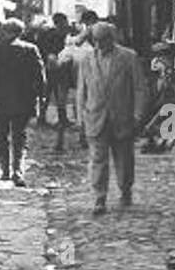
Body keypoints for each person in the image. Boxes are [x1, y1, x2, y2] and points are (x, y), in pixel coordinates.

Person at [79, 21, 148, 213]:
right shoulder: (86, 60)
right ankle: (99, 197)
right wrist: (81, 119)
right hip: (96, 117)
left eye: (102, 40)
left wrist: (137, 114)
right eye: (95, 40)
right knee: (97, 159)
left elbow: (139, 88)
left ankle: (125, 189)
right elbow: (82, 92)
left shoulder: (128, 57)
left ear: (112, 38)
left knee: (124, 158)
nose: (99, 44)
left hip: (122, 116)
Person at [0, 19, 46, 187]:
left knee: (1, 136)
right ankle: (18, 170)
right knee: (20, 136)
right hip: (23, 100)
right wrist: (41, 98)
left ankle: (5, 170)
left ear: (4, 32)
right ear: (21, 32)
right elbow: (40, 77)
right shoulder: (31, 50)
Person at [58, 26, 96, 150]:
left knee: (63, 100)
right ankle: (83, 135)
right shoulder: (90, 50)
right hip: (81, 70)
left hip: (65, 69)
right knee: (84, 100)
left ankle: (60, 139)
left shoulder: (67, 49)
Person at [37, 11, 71, 129]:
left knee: (51, 92)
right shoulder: (57, 34)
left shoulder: (48, 33)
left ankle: (45, 117)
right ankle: (60, 118)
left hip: (50, 66)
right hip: (54, 65)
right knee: (56, 92)